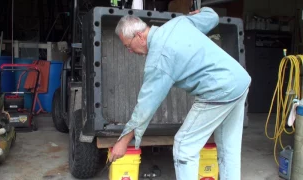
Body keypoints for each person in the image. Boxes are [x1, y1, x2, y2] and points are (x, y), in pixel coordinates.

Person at [108, 7, 251, 180]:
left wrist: (123, 141)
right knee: (229, 148)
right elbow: (212, 18)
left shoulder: (158, 59)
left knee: (184, 147)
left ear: (139, 36)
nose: (130, 52)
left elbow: (145, 107)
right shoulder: (177, 23)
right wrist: (204, 10)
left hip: (219, 91)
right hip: (239, 81)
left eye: (128, 46)